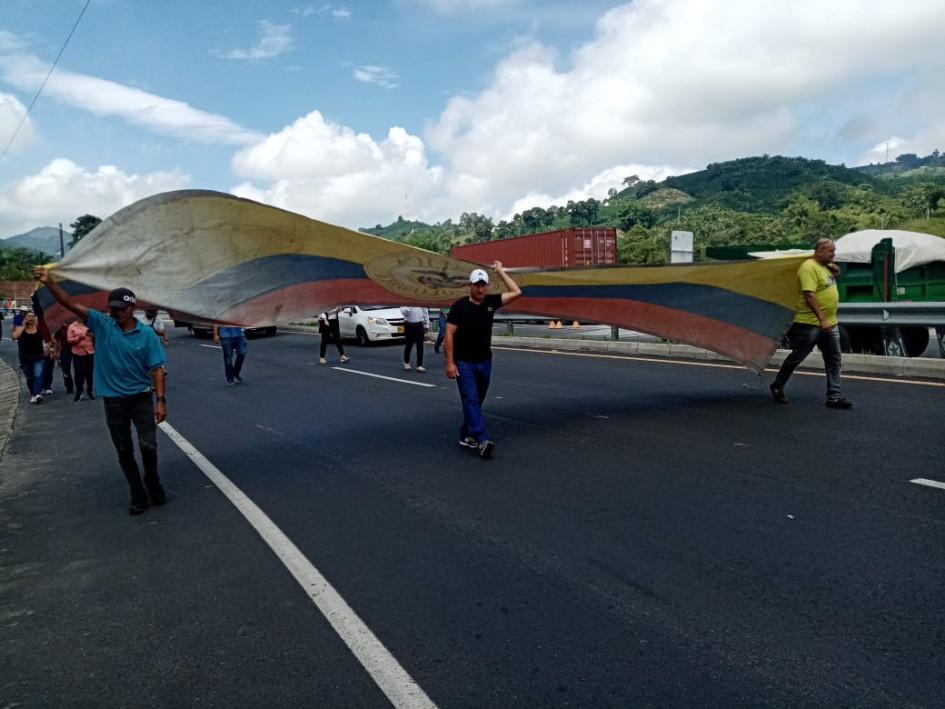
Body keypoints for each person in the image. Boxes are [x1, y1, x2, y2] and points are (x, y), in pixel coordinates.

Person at [34, 267, 167, 515]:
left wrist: (160, 400)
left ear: (133, 308)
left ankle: (152, 480)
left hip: (141, 398)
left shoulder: (147, 335)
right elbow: (70, 303)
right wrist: (50, 282)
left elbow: (158, 369)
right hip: (114, 401)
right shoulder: (102, 324)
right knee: (124, 449)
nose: (115, 312)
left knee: (148, 446)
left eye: (120, 308)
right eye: (112, 308)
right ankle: (137, 492)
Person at [444, 262, 522, 458]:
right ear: (469, 285)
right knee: (470, 399)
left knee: (477, 401)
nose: (480, 288)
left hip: (485, 360)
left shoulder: (491, 302)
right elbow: (449, 335)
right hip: (464, 363)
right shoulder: (459, 307)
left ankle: (465, 434)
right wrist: (450, 362)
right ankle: (481, 438)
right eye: (476, 285)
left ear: (487, 286)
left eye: (483, 285)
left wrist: (501, 272)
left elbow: (516, 292)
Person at [770, 237, 853, 409]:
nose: (834, 254)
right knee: (797, 357)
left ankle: (834, 396)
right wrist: (821, 319)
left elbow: (827, 285)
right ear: (820, 251)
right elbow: (809, 294)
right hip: (810, 324)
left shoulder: (825, 267)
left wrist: (835, 272)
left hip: (830, 323)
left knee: (834, 359)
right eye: (831, 251)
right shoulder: (808, 268)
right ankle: (778, 385)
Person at [12, 310, 47, 403]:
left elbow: (49, 338)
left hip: (38, 356)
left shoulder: (39, 328)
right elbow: (14, 337)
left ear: (35, 318)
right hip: (25, 357)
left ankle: (38, 393)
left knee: (38, 374)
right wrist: (23, 325)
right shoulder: (21, 328)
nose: (30, 318)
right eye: (28, 316)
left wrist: (48, 350)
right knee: (29, 377)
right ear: (25, 318)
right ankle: (33, 394)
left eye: (32, 316)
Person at [68, 317, 96, 401]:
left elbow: (98, 335)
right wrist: (78, 338)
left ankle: (90, 392)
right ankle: (79, 391)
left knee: (89, 373)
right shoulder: (72, 326)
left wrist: (92, 334)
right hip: (77, 352)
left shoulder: (90, 324)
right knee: (79, 372)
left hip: (90, 352)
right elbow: (69, 340)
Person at [400, 306, 429, 372]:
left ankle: (419, 365)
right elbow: (403, 312)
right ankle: (406, 362)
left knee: (420, 346)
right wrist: (410, 306)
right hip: (409, 324)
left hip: (419, 324)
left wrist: (426, 324)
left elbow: (425, 312)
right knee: (409, 345)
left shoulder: (420, 301)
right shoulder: (405, 302)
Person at [49, 324, 76, 395]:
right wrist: (56, 351)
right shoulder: (61, 327)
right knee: (65, 368)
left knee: (79, 368)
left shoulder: (76, 325)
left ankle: (79, 384)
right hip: (65, 349)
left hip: (77, 348)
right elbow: (56, 340)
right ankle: (69, 387)